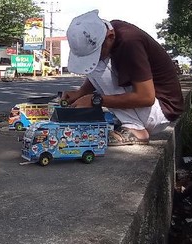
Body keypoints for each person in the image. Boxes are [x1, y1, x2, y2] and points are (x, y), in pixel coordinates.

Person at [61, 10, 184, 146]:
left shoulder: (129, 42)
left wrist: (95, 100)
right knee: (95, 64)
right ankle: (132, 122)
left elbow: (146, 97)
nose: (98, 57)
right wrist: (80, 93)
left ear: (110, 36)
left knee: (99, 65)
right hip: (152, 109)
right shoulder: (110, 31)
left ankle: (136, 129)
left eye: (98, 52)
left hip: (161, 111)